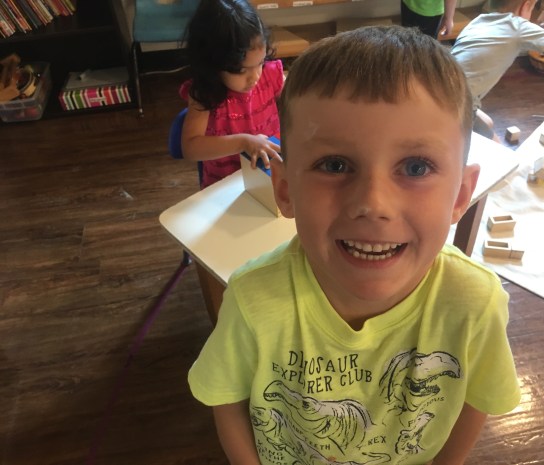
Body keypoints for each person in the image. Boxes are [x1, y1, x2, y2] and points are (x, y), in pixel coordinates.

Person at [188, 26, 521, 465]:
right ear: (284, 189)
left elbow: (478, 399)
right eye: (335, 165)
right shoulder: (253, 299)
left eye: (416, 167)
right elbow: (226, 399)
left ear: (460, 195)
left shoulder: (475, 302)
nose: (373, 204)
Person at [180, 0, 283, 189]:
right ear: (213, 64)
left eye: (260, 63)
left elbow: (294, 111)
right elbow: (190, 148)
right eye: (241, 70)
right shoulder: (206, 94)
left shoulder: (271, 75)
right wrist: (244, 142)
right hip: (225, 186)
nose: (255, 77)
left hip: (267, 179)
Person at [451, 0, 544, 140]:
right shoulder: (518, 27)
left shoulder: (479, 21)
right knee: (496, 148)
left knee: (488, 122)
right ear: (525, 5)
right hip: (457, 104)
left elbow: (513, 37)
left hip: (444, 89)